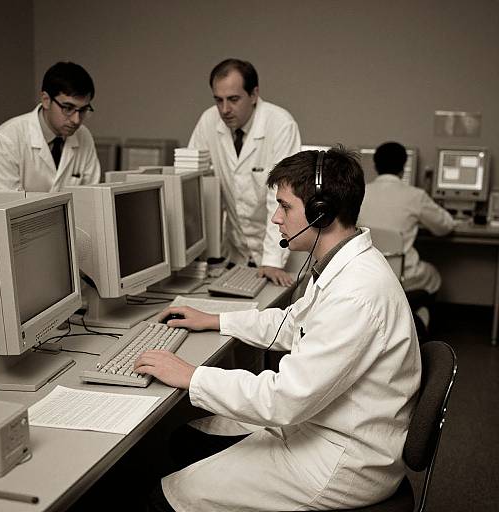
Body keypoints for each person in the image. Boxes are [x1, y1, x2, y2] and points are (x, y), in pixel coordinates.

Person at [134, 147, 421, 511]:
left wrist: (193, 376)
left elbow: (285, 398)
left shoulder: (356, 293)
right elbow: (293, 323)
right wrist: (217, 320)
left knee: (165, 498)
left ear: (322, 213)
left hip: (342, 459)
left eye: (284, 206)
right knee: (186, 442)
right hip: (324, 424)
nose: (275, 218)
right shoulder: (346, 265)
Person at [188, 58, 301, 286]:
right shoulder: (208, 121)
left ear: (254, 94)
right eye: (218, 100)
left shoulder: (280, 125)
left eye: (233, 99)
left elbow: (281, 199)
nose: (224, 110)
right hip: (235, 252)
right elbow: (190, 183)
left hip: (278, 252)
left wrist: (272, 260)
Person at [358, 141, 455, 301]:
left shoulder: (360, 193)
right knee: (433, 275)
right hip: (402, 275)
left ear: (375, 167)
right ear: (403, 167)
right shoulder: (415, 196)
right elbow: (445, 227)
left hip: (366, 270)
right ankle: (419, 318)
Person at [0, 61, 100, 192]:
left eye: (83, 110)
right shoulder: (6, 140)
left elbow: (91, 198)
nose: (76, 120)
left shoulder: (83, 135)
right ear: (46, 100)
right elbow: (5, 204)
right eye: (68, 108)